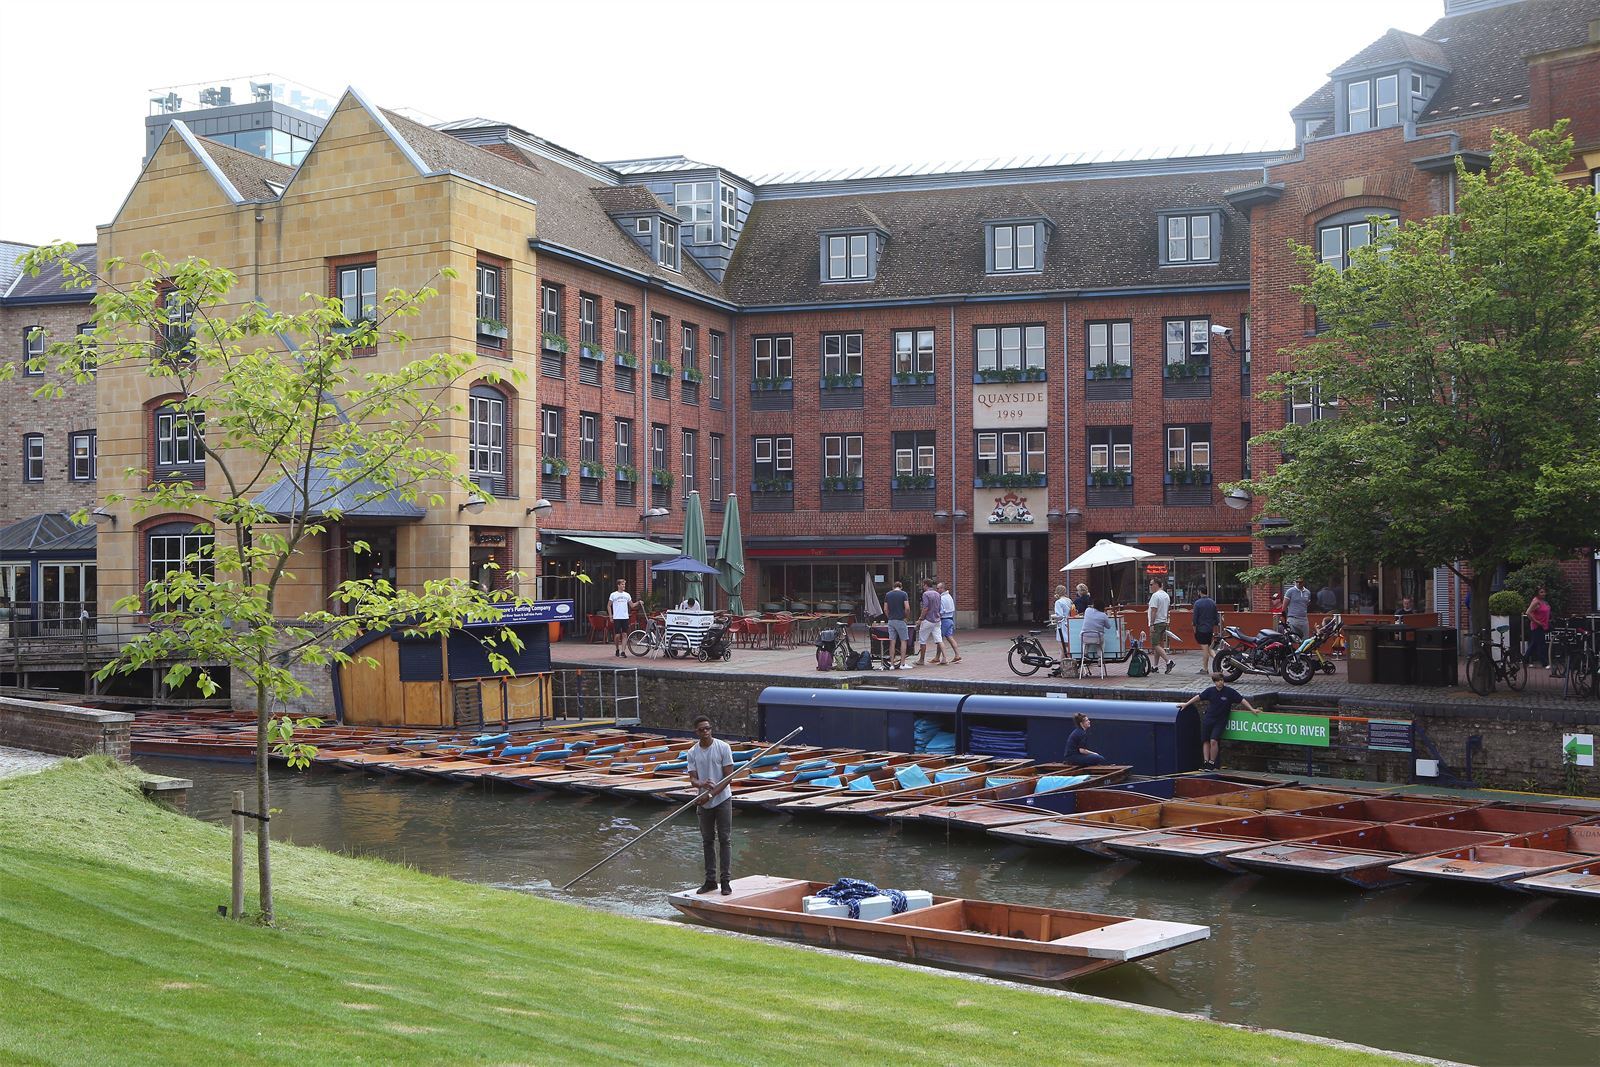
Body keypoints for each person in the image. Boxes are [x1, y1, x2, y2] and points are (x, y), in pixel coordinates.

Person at [685, 715, 735, 895]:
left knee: (725, 839)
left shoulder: (723, 747)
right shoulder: (692, 752)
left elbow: (729, 777)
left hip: (722, 800)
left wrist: (712, 794)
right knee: (707, 841)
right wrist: (701, 785)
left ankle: (726, 881)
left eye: (708, 728)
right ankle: (710, 881)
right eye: (701, 730)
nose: (705, 732)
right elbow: (692, 779)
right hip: (703, 802)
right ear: (696, 732)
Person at [1179, 673, 1261, 771]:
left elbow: (1242, 700)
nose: (1220, 682)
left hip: (1220, 721)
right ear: (1214, 682)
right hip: (1208, 719)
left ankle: (1212, 763)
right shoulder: (1210, 691)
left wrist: (1252, 709)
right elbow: (1198, 697)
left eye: (1222, 680)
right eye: (1218, 681)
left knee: (1214, 740)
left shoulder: (1229, 692)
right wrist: (1186, 704)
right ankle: (1205, 762)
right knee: (1205, 740)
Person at [1147, 577, 1174, 674]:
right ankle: (1155, 666)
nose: (1150, 586)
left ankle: (1168, 661)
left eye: (1151, 584)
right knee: (1158, 644)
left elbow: (1153, 610)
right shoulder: (1166, 595)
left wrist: (1151, 624)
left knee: (1155, 644)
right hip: (1163, 621)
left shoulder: (1155, 596)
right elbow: (1167, 609)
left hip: (1157, 622)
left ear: (1156, 585)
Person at [1191, 585, 1220, 675]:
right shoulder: (1212, 602)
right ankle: (1217, 663)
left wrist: (1194, 629)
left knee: (1205, 650)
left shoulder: (1197, 603)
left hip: (1201, 628)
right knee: (1209, 648)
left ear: (1200, 592)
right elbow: (1216, 618)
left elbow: (1195, 619)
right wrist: (1215, 629)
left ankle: (1205, 668)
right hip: (1209, 629)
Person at [1079, 598, 1112, 678]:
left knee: (1086, 642)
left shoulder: (1087, 610)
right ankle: (1100, 657)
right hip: (1097, 637)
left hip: (1084, 636)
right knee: (1101, 642)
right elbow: (1109, 626)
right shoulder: (1103, 615)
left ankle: (1085, 654)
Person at [884, 580, 911, 669]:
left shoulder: (888, 595)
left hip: (891, 621)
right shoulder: (904, 594)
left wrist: (889, 617)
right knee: (903, 641)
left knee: (892, 641)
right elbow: (907, 608)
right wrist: (906, 617)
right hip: (900, 620)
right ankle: (902, 664)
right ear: (901, 587)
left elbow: (885, 609)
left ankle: (891, 664)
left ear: (893, 587)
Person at [915, 578, 943, 666]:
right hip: (937, 619)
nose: (922, 586)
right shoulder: (937, 594)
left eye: (923, 585)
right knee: (939, 639)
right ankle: (939, 657)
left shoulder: (926, 594)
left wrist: (920, 619)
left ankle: (921, 660)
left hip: (928, 619)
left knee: (922, 640)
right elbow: (939, 607)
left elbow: (925, 607)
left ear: (926, 585)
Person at [933, 581, 962, 664]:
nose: (937, 590)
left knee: (939, 638)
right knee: (950, 637)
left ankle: (939, 657)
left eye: (938, 588)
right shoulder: (949, 596)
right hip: (950, 619)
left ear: (942, 588)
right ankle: (957, 655)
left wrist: (937, 616)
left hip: (944, 620)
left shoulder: (941, 598)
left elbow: (941, 611)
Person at [608, 579, 635, 658]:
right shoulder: (613, 594)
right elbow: (609, 605)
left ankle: (623, 651)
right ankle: (617, 649)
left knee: (624, 634)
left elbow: (632, 605)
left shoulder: (627, 595)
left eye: (624, 584)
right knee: (617, 635)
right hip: (617, 617)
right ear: (618, 585)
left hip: (625, 617)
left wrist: (639, 602)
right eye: (622, 584)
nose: (624, 586)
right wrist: (610, 616)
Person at [1526, 587, 1552, 668]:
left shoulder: (1543, 602)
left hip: (1543, 625)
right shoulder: (1536, 602)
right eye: (1541, 592)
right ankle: (1544, 663)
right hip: (1537, 626)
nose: (1543, 594)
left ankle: (1525, 659)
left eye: (1544, 592)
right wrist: (1536, 621)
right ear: (1537, 593)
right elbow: (1528, 612)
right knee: (1541, 644)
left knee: (1534, 644)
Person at [1052, 584, 1074, 661]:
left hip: (1062, 625)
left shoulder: (1058, 602)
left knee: (1062, 646)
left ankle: (1065, 663)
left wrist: (1053, 616)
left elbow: (1060, 615)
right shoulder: (1069, 600)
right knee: (1067, 646)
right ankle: (1061, 664)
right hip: (1069, 623)